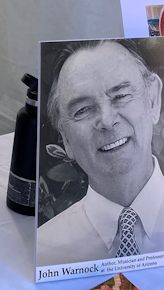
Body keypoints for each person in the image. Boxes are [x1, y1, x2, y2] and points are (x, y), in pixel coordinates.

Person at [37, 39, 164, 266]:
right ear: (65, 138)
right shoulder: (46, 252)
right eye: (83, 109)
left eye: (121, 95)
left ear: (153, 100)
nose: (106, 120)